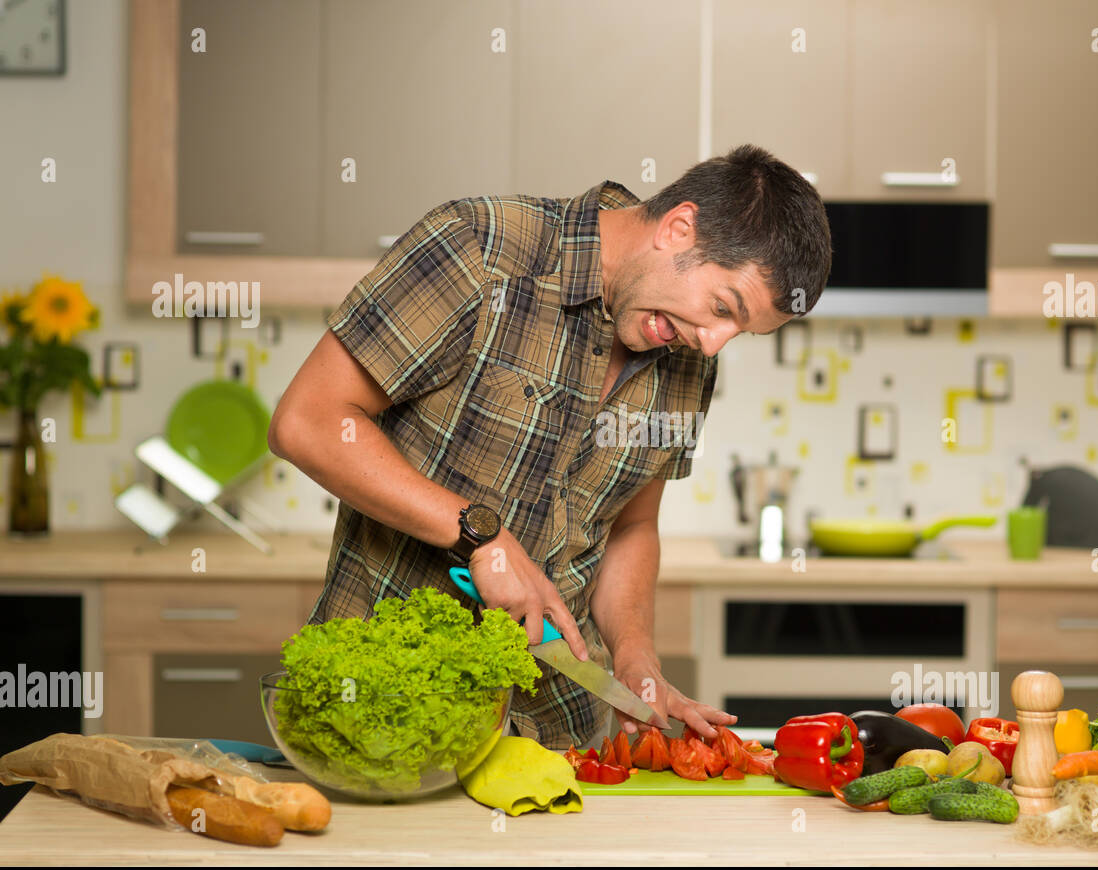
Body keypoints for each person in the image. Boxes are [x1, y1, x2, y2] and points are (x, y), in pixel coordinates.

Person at [268, 143, 832, 751]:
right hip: (381, 712)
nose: (714, 343)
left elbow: (632, 526)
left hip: (557, 732)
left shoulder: (686, 354)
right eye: (723, 308)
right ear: (678, 228)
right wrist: (479, 535)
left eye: (737, 331)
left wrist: (636, 659)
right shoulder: (479, 248)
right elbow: (307, 421)